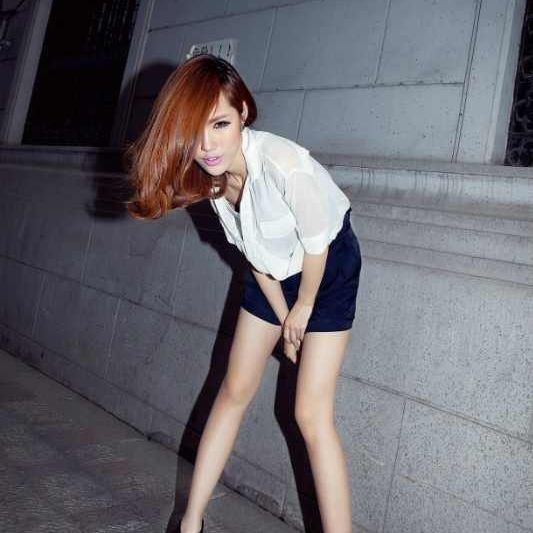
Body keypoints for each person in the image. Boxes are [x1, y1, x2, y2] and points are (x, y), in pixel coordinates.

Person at [125, 53, 362, 533]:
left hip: (327, 269)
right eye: (194, 130)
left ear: (244, 113)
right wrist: (283, 318)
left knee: (310, 413)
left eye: (220, 124)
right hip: (271, 273)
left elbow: (317, 247)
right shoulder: (213, 183)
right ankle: (190, 523)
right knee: (234, 388)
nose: (207, 145)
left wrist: (302, 310)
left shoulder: (284, 165)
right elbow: (256, 258)